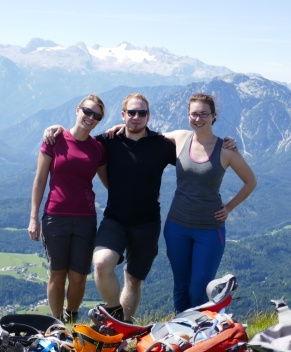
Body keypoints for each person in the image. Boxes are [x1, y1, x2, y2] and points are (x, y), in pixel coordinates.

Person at [43, 93, 237, 322]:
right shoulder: (108, 141)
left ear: (148, 116)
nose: (136, 117)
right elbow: (80, 139)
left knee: (134, 280)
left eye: (141, 113)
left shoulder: (161, 144)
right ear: (123, 115)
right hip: (114, 219)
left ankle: (123, 328)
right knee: (101, 263)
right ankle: (115, 314)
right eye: (131, 113)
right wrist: (57, 129)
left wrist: (225, 144)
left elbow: (198, 152)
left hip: (147, 223)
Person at [163, 93, 256, 313]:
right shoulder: (180, 138)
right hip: (176, 226)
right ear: (188, 115)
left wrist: (229, 208)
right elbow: (144, 135)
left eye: (204, 114)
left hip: (209, 229)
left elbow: (250, 181)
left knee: (199, 290)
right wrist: (121, 126)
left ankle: (201, 336)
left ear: (213, 116)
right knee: (181, 287)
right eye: (194, 114)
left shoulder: (226, 149)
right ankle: (181, 334)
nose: (198, 119)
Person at [28, 94, 107, 323]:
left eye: (97, 116)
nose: (91, 118)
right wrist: (34, 218)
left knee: (79, 277)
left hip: (85, 220)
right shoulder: (55, 139)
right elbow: (40, 180)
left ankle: (70, 318)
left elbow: (109, 182)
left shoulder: (98, 149)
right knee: (57, 275)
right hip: (55, 217)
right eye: (87, 111)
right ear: (77, 110)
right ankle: (55, 323)